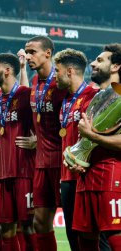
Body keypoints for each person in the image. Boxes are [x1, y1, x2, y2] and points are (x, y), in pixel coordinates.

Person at [69, 43, 121, 250]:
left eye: (100, 60)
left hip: (111, 174)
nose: (93, 63)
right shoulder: (98, 96)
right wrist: (77, 157)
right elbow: (86, 139)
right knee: (85, 238)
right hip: (86, 176)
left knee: (115, 234)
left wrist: (92, 136)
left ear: (116, 66)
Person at [20, 36, 67, 251]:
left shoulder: (62, 83)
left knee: (76, 224)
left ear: (48, 53)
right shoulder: (34, 82)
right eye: (26, 52)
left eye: (32, 52)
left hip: (62, 161)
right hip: (41, 163)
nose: (28, 56)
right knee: (39, 223)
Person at [0, 53, 36, 251]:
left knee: (29, 227)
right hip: (4, 174)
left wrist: (38, 140)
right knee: (6, 230)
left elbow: (44, 122)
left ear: (6, 70)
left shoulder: (26, 94)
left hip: (24, 172)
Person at [53, 48, 98, 251]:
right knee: (72, 237)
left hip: (85, 177)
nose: (55, 76)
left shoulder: (93, 97)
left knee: (89, 237)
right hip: (66, 178)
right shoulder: (65, 101)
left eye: (57, 71)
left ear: (69, 71)